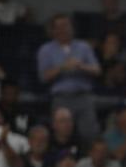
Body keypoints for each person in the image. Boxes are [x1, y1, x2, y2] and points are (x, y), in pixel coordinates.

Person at [37, 14, 101, 142]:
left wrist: (80, 65)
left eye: (66, 25)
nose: (63, 29)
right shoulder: (46, 49)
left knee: (90, 134)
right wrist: (62, 67)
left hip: (83, 96)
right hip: (61, 98)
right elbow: (44, 77)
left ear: (72, 27)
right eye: (59, 27)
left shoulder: (83, 46)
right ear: (53, 30)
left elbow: (97, 70)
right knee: (61, 135)